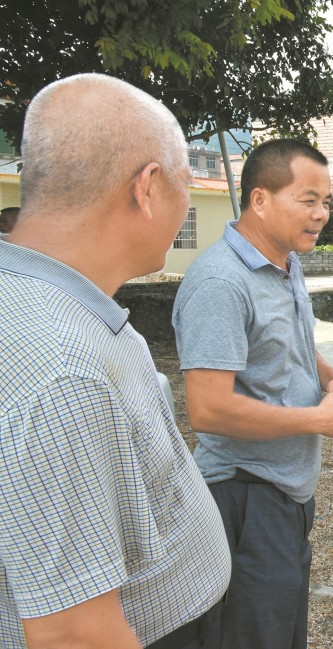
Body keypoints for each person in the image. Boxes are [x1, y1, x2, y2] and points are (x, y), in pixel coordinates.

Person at [0, 74, 230, 649]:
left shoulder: (48, 303)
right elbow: (73, 635)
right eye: (183, 183)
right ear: (147, 188)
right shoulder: (64, 370)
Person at [172, 138, 333, 649]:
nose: (321, 214)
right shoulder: (220, 282)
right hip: (244, 492)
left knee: (281, 631)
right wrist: (318, 421)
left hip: (286, 490)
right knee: (251, 636)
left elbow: (286, 345)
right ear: (259, 200)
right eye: (308, 200)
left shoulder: (283, 262)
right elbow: (207, 409)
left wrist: (327, 374)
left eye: (326, 202)